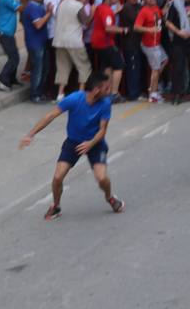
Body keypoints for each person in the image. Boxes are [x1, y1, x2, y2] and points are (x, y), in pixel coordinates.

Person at [19, 71, 124, 220]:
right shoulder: (74, 99)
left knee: (102, 178)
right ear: (96, 90)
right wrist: (31, 134)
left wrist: (90, 143)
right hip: (74, 141)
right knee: (57, 177)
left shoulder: (106, 103)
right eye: (107, 88)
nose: (110, 91)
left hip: (95, 143)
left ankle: (110, 198)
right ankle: (56, 206)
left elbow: (102, 131)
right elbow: (50, 116)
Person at [52, 0, 92, 98]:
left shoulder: (61, 3)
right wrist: (92, 12)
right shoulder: (78, 5)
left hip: (59, 40)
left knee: (62, 67)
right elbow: (86, 22)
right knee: (84, 66)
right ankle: (81, 92)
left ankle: (60, 94)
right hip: (74, 40)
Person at [89, 0, 126, 100]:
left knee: (108, 66)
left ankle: (107, 91)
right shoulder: (107, 10)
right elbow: (108, 28)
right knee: (119, 66)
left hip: (97, 42)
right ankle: (114, 94)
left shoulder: (99, 7)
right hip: (105, 43)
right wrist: (123, 30)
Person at [165, 0, 190, 103]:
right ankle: (177, 94)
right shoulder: (176, 5)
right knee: (178, 68)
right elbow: (168, 23)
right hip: (178, 41)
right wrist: (179, 32)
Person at [21, 0, 52, 103]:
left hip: (42, 42)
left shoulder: (39, 6)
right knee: (38, 70)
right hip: (35, 44)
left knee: (45, 68)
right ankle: (34, 94)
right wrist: (48, 13)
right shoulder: (32, 7)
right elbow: (38, 24)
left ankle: (40, 92)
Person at [0, 0, 21, 92]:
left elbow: (17, 3)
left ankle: (11, 78)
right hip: (4, 31)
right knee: (14, 57)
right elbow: (20, 8)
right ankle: (2, 79)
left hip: (8, 31)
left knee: (14, 55)